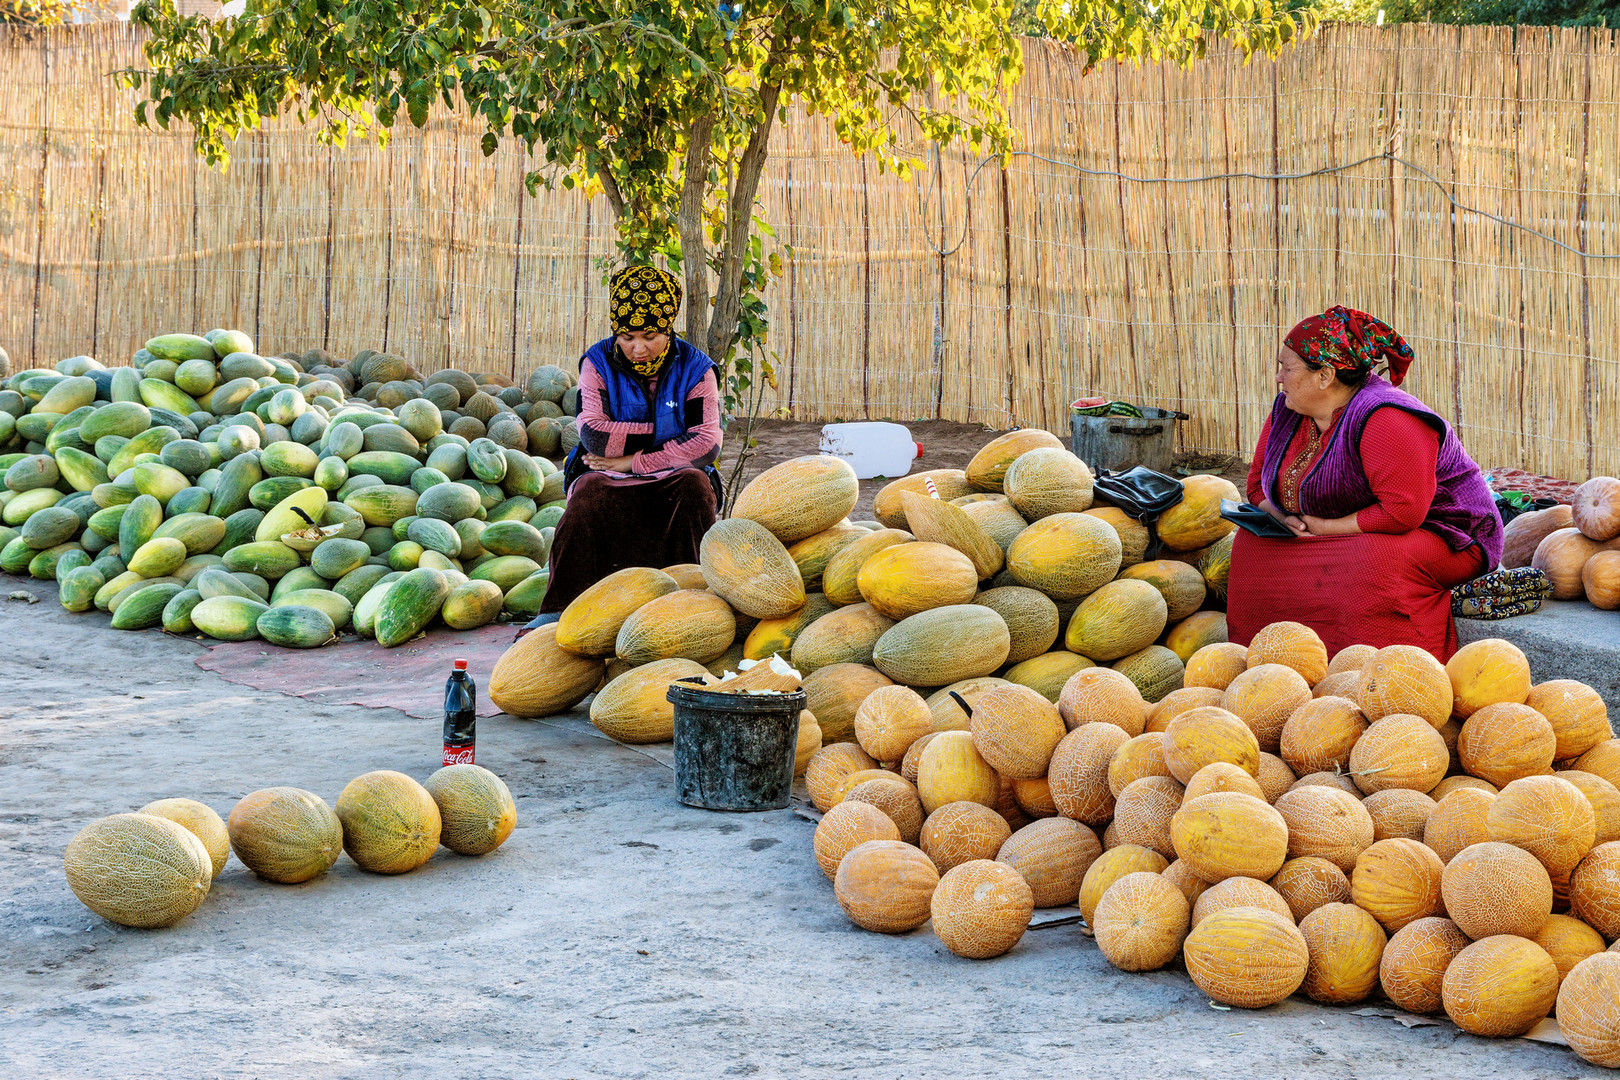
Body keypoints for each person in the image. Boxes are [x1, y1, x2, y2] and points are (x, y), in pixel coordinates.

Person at [1226, 306, 1504, 661]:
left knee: (1369, 562)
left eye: (1287, 368)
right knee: (1253, 546)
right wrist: (1279, 518)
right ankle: (1276, 666)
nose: (1279, 378)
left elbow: (1403, 513)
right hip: (1333, 528)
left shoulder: (1387, 417)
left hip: (1447, 535)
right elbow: (1256, 486)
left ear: (1325, 375)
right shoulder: (1289, 410)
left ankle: (1377, 673)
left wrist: (1326, 528)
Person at [523, 265, 722, 630]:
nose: (638, 348)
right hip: (603, 474)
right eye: (628, 337)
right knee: (588, 493)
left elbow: (707, 443)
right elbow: (595, 435)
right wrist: (673, 433)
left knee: (694, 488)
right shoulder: (597, 362)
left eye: (650, 335)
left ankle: (690, 610)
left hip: (674, 476)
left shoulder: (696, 369)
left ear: (668, 327)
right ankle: (561, 613)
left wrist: (633, 461)